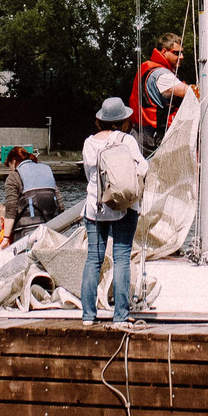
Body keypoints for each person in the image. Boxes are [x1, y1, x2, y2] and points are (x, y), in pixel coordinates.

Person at [80, 96, 144, 324]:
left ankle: (88, 315)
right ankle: (121, 316)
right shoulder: (126, 141)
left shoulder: (89, 143)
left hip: (94, 208)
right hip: (123, 207)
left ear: (101, 120)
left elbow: (90, 175)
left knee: (93, 260)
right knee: (122, 259)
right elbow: (142, 168)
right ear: (123, 119)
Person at [128, 32, 195, 156]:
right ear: (164, 52)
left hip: (141, 134)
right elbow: (194, 93)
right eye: (177, 53)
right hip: (152, 139)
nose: (182, 57)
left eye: (182, 53)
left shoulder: (148, 68)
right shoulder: (162, 76)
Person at [13, 146, 61, 227]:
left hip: (29, 224)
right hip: (51, 221)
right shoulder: (46, 170)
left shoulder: (16, 175)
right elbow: (60, 201)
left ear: (13, 162)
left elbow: (11, 209)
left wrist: (6, 236)